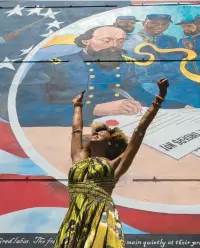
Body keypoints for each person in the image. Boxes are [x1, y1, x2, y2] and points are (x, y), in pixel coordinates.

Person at [53, 78, 169, 247]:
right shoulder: (78, 158)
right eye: (95, 133)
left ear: (110, 143)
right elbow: (76, 130)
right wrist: (77, 106)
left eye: (101, 134)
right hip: (74, 219)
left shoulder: (115, 165)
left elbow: (139, 131)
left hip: (100, 218)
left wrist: (159, 98)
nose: (95, 134)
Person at [16, 25, 186, 127]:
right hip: (71, 130)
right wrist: (94, 110)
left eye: (120, 41)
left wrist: (180, 107)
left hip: (120, 128)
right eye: (107, 41)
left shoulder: (125, 65)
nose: (115, 46)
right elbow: (25, 110)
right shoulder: (52, 66)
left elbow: (139, 94)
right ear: (86, 41)